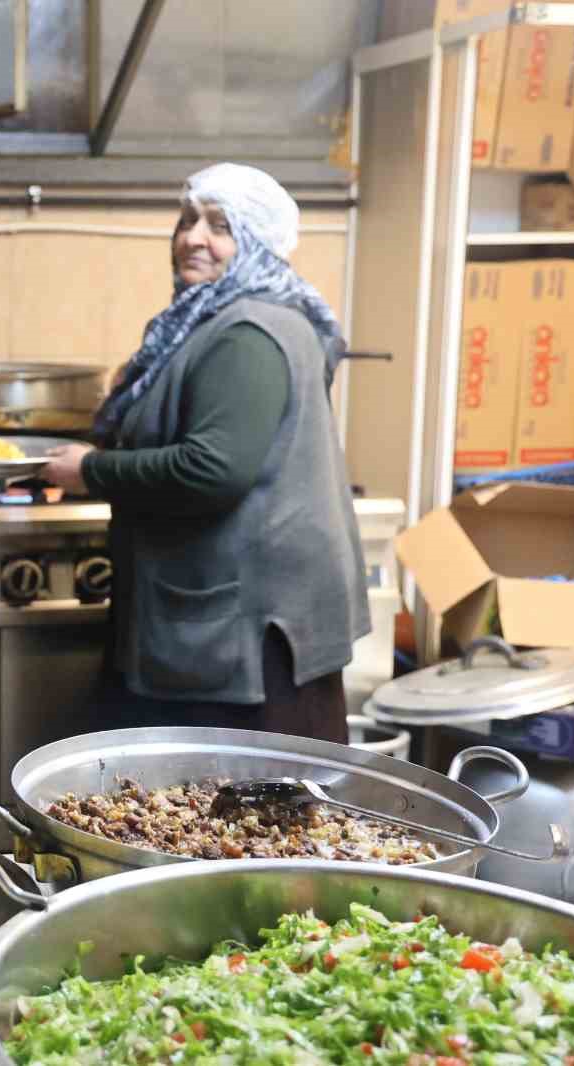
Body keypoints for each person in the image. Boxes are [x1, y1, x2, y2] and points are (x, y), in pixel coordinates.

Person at [43, 163, 367, 743]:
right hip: (222, 628)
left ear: (256, 245)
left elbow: (213, 469)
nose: (193, 236)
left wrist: (87, 471)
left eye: (220, 226)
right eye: (187, 219)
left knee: (233, 818)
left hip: (249, 642)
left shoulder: (248, 332)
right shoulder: (211, 321)